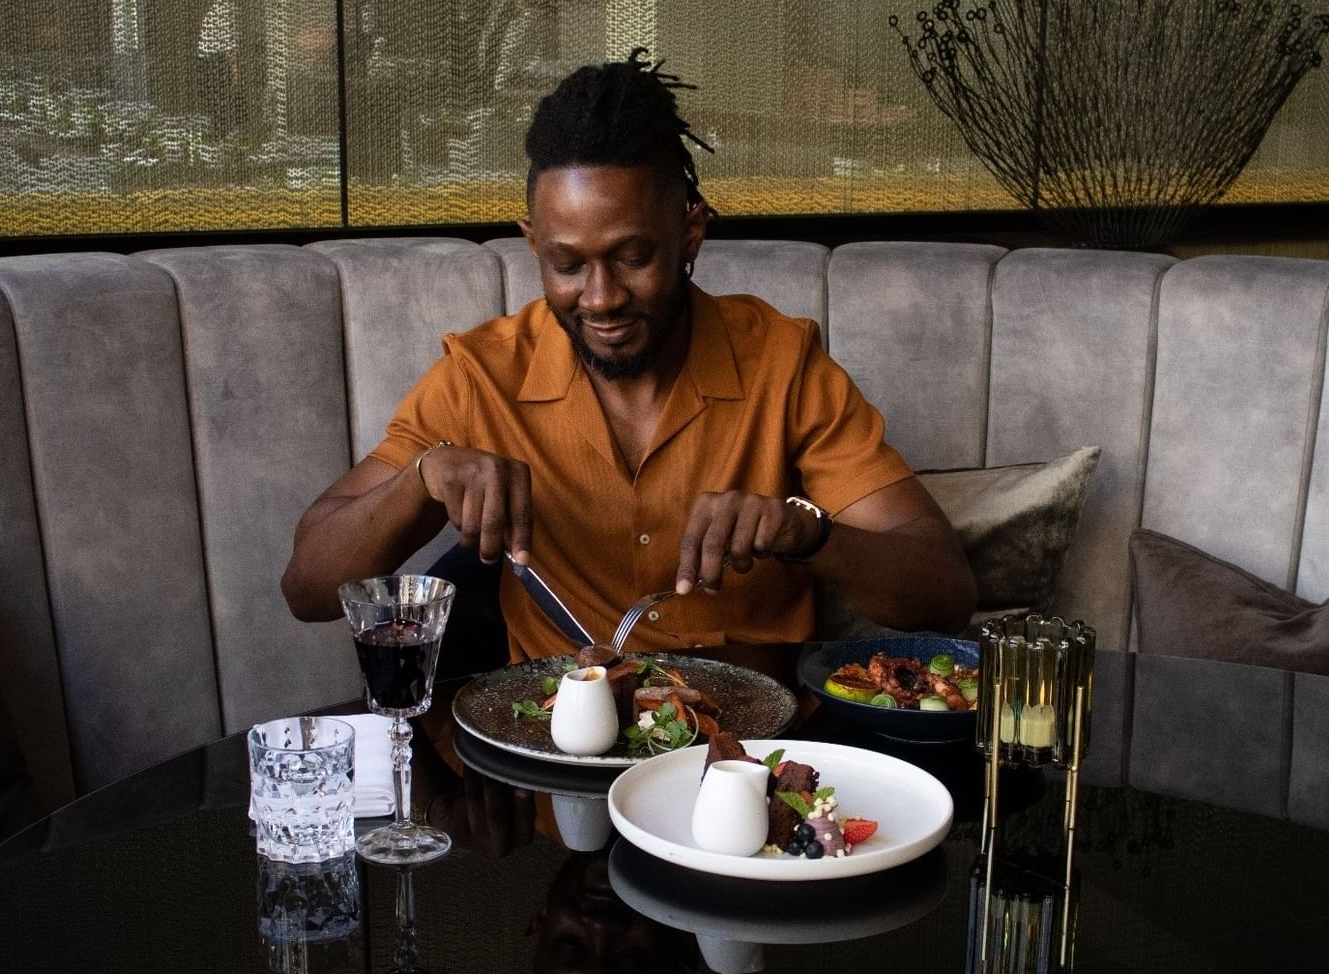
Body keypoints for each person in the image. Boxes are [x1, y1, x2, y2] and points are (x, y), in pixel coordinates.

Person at [283, 50, 975, 658]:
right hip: (558, 774)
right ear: (533, 246)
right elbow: (309, 587)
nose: (601, 296)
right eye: (567, 264)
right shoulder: (482, 376)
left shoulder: (783, 364)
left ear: (691, 233)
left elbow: (943, 590)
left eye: (634, 256)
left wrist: (806, 531)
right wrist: (421, 478)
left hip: (747, 767)